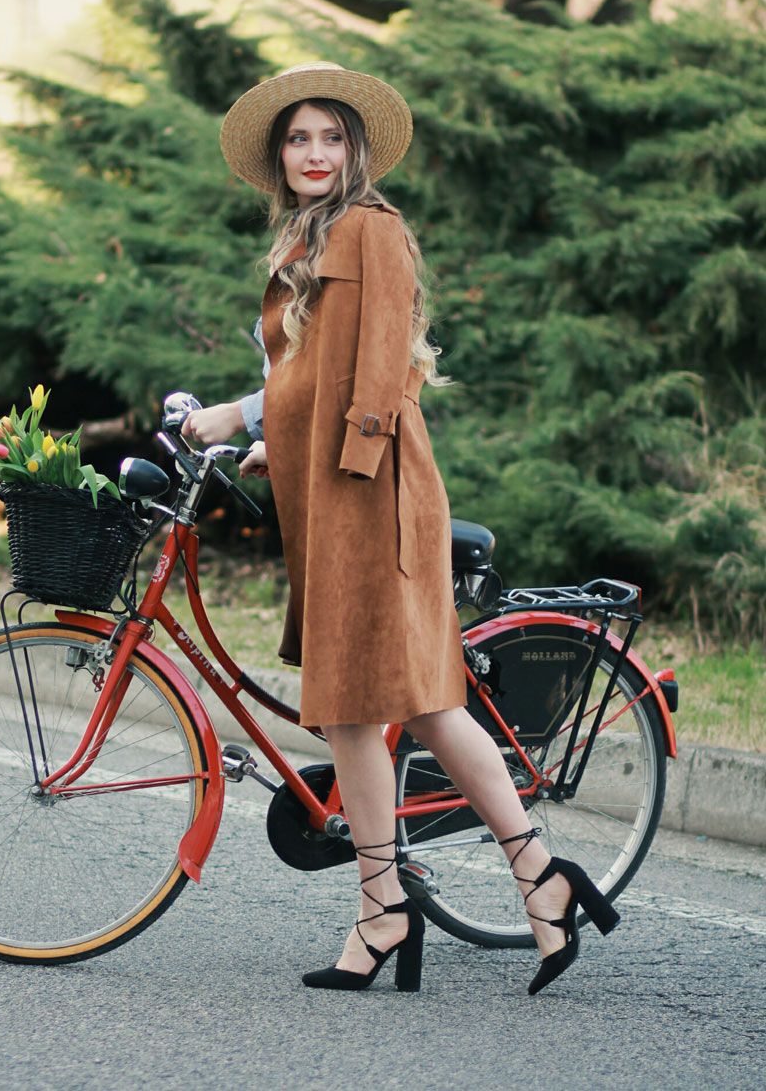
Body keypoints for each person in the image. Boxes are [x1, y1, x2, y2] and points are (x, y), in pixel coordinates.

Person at [183, 62, 619, 994]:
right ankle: (408, 901)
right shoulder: (311, 235)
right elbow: (317, 373)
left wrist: (262, 424)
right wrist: (277, 442)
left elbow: (379, 372)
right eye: (297, 139)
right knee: (363, 705)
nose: (313, 153)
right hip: (334, 488)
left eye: (330, 137)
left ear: (356, 150)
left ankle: (523, 877)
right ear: (280, 156)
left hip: (372, 491)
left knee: (416, 700)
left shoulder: (371, 229)